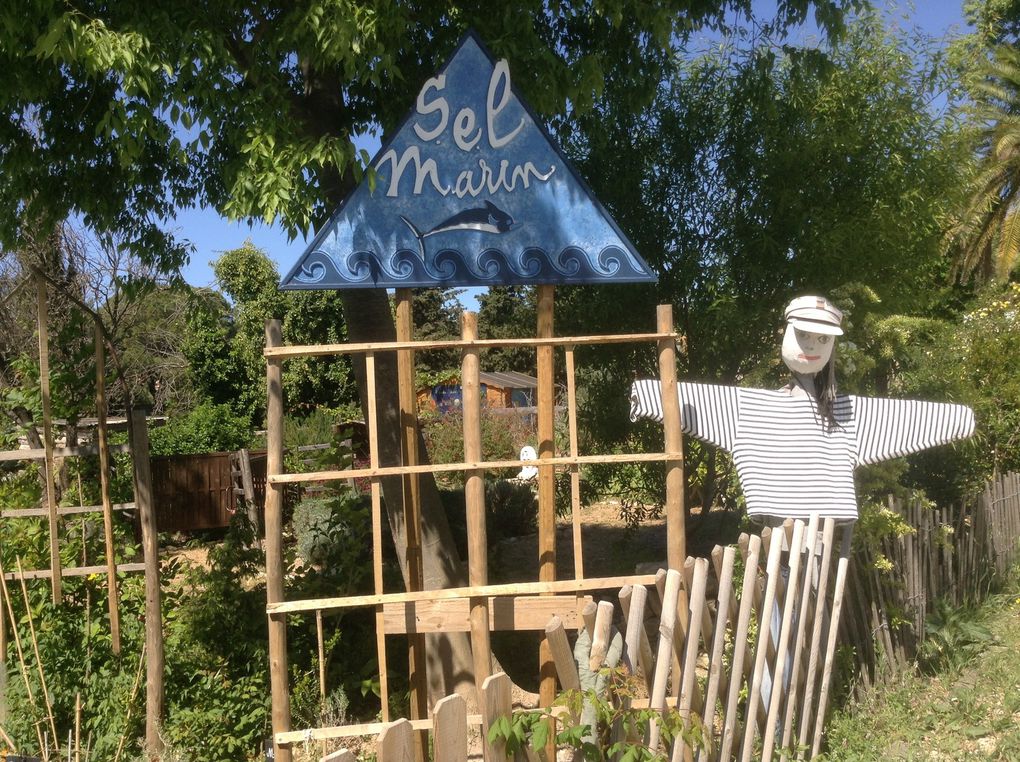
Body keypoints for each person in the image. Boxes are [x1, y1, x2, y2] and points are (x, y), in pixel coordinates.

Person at [629, 295, 975, 522]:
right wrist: (646, 394)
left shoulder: (845, 414)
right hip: (779, 530)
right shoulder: (750, 409)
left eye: (823, 340)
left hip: (825, 530)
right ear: (788, 334)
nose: (813, 346)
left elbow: (908, 419)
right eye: (805, 336)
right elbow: (687, 398)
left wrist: (962, 419)